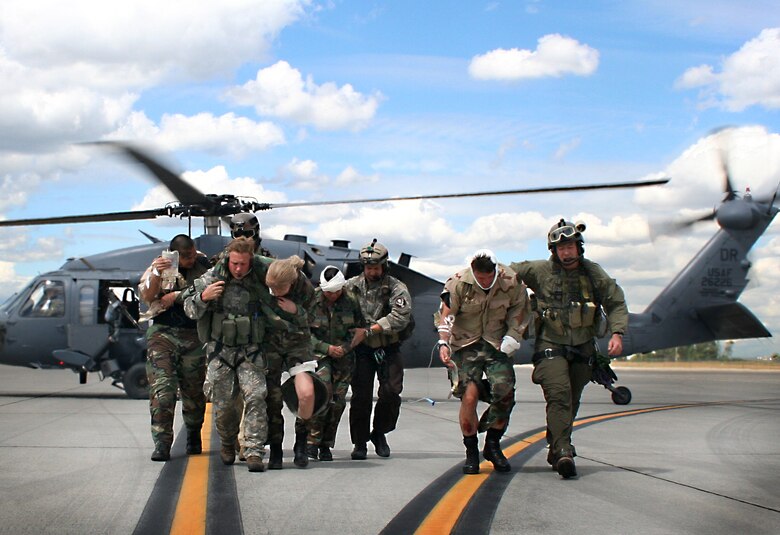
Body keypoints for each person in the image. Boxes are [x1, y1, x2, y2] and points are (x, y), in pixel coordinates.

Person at [510, 219, 628, 478]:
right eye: (561, 248)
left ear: (579, 247)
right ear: (553, 251)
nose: (566, 252)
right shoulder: (539, 271)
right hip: (551, 345)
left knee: (571, 401)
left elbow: (615, 301)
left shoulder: (593, 273)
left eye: (570, 246)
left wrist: (617, 333)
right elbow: (504, 274)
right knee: (559, 396)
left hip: (583, 348)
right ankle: (564, 450)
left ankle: (555, 445)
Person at [437, 250, 531, 474]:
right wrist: (443, 342)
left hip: (496, 343)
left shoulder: (511, 281)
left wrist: (513, 335)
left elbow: (521, 309)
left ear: (496, 271)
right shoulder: (458, 283)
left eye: (489, 277)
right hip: (464, 345)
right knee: (469, 397)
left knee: (505, 393)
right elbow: (447, 315)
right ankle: (471, 452)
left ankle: (492, 445)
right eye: (481, 278)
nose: (485, 282)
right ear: (473, 271)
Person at [183, 237, 270, 472]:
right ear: (228, 260)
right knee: (223, 405)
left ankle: (253, 450)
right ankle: (227, 441)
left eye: (243, 264)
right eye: (234, 264)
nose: (239, 269)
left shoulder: (261, 278)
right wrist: (203, 297)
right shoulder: (213, 276)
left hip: (250, 350)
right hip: (220, 351)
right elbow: (188, 308)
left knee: (255, 396)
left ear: (250, 260)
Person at [138, 234, 210, 462]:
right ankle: (162, 443)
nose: (189, 260)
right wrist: (157, 272)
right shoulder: (159, 266)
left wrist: (177, 296)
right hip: (163, 334)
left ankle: (193, 434)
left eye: (192, 254)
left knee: (194, 392)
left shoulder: (205, 266)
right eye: (185, 256)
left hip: (194, 336)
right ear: (176, 253)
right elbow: (147, 296)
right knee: (163, 389)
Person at [346, 239, 413, 460]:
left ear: (384, 266)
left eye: (375, 267)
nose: (372, 271)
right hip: (362, 351)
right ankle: (359, 442)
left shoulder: (396, 288)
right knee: (361, 397)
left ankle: (379, 433)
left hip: (388, 347)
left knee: (391, 393)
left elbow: (400, 317)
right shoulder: (351, 287)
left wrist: (371, 330)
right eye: (368, 267)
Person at [301, 266, 365, 462]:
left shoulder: (352, 301)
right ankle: (312, 442)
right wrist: (326, 348)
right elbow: (303, 332)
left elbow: (360, 329)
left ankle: (326, 445)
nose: (333, 295)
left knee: (337, 403)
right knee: (323, 395)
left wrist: (345, 348)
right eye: (329, 292)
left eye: (336, 291)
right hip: (319, 357)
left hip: (344, 359)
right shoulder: (312, 300)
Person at [262, 255, 319, 469]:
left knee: (307, 394)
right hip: (271, 344)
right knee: (272, 399)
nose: (274, 293)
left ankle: (301, 441)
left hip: (298, 342)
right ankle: (276, 447)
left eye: (279, 289)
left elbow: (315, 319)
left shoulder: (304, 288)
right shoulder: (267, 278)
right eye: (271, 289)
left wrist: (296, 311)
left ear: (291, 283)